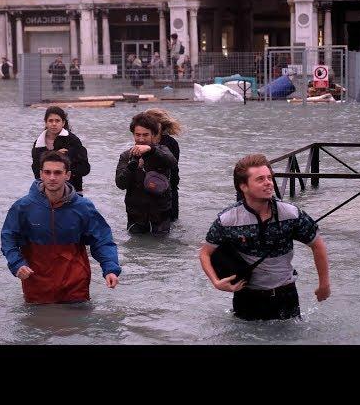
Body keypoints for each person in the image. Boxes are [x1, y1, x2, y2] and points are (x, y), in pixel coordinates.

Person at [199, 154, 331, 321]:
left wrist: (324, 284)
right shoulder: (228, 219)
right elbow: (205, 253)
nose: (268, 182)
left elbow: (317, 244)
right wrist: (216, 282)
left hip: (286, 295)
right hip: (246, 297)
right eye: (260, 179)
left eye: (269, 177)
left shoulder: (290, 213)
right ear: (243, 186)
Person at [1, 151, 121, 304]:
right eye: (47, 172)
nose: (52, 177)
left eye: (57, 172)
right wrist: (17, 264)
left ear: (68, 175)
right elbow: (8, 238)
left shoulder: (83, 207)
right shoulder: (23, 207)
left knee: (77, 327)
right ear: (41, 175)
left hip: (75, 285)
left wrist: (110, 269)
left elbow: (102, 240)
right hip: (36, 284)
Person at [115, 112, 178, 235]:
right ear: (133, 134)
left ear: (153, 135)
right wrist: (132, 168)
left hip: (160, 216)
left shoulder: (162, 150)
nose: (141, 139)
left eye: (145, 135)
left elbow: (172, 162)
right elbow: (120, 184)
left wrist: (151, 150)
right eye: (137, 135)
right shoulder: (126, 155)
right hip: (136, 216)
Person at [31, 106, 90, 194]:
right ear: (46, 123)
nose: (54, 124)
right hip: (45, 192)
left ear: (63, 123)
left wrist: (63, 166)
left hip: (73, 191)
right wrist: (54, 155)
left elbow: (85, 169)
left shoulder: (73, 140)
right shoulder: (39, 144)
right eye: (50, 121)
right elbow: (36, 172)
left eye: (57, 121)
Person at [144, 108, 181, 221]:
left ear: (158, 126)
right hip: (149, 187)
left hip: (169, 188)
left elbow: (171, 164)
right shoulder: (145, 140)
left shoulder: (171, 143)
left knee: (170, 221)